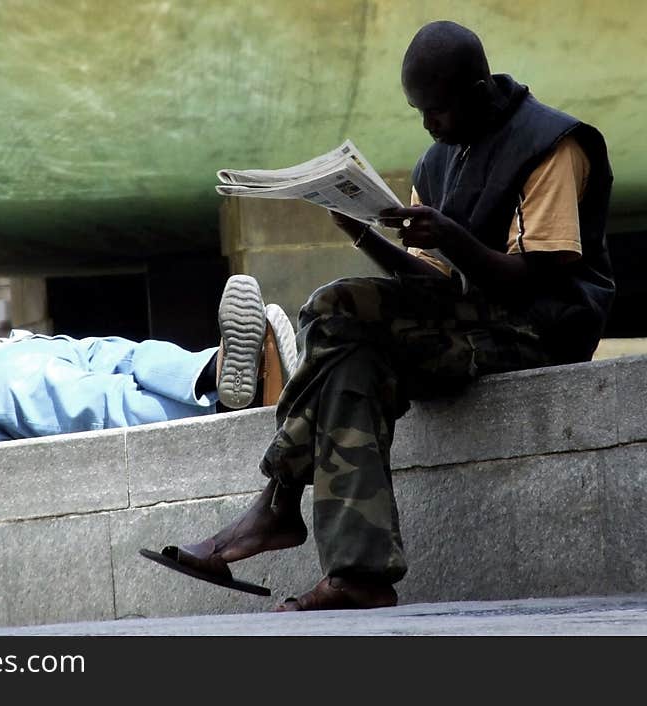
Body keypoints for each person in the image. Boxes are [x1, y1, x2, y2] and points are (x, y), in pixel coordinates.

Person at [141, 20, 615, 610]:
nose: (427, 124)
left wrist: (452, 235)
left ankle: (277, 502)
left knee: (334, 305)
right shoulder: (437, 162)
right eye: (418, 109)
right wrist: (366, 236)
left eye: (435, 110)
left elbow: (538, 276)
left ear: (476, 89)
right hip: (469, 325)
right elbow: (432, 283)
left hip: (540, 330)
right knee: (352, 363)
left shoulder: (552, 144)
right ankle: (358, 577)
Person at [0, 275, 297, 464]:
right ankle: (239, 397)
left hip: (24, 352)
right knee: (102, 400)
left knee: (133, 356)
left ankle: (221, 368)